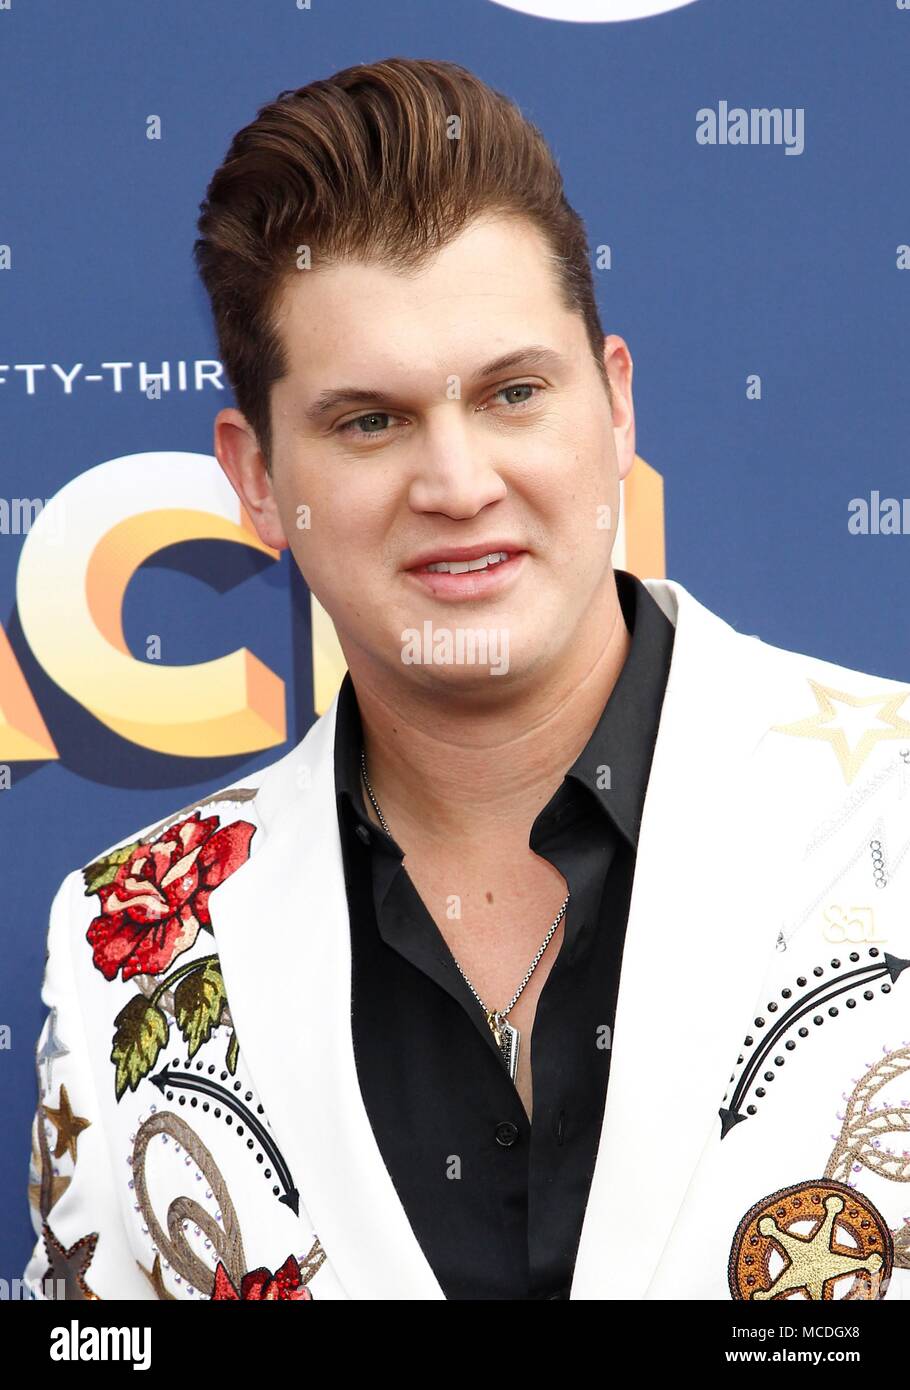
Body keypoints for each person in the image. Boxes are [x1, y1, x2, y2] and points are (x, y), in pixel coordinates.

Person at [24, 57, 910, 1303]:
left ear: (613, 404)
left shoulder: (893, 809)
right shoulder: (127, 942)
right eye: (368, 421)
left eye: (512, 393)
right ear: (259, 478)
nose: (457, 483)